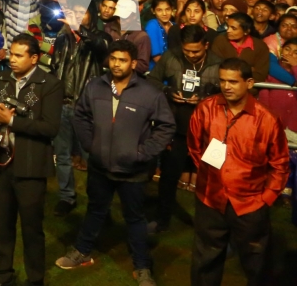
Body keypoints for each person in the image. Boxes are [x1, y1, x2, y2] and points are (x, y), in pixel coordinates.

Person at [54, 39, 173, 284]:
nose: (117, 64)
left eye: (123, 60)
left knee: (135, 218)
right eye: (113, 59)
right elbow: (81, 115)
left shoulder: (149, 93)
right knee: (95, 210)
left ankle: (142, 266)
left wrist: (142, 153)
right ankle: (83, 251)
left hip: (133, 171)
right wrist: (91, 145)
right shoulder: (95, 86)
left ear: (134, 63)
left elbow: (166, 126)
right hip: (99, 166)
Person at [187, 57, 290, 286]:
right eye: (222, 80)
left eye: (233, 81)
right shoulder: (206, 109)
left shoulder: (266, 119)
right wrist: (208, 179)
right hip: (210, 199)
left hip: (250, 203)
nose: (226, 86)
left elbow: (279, 164)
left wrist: (266, 198)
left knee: (256, 262)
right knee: (205, 258)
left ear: (249, 83)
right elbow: (194, 148)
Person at [0, 34, 62, 286]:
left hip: (31, 168)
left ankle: (35, 279)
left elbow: (50, 128)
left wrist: (12, 121)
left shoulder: (49, 84)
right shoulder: (2, 78)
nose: (12, 59)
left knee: (32, 228)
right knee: (2, 224)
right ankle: (3, 274)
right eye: (11, 54)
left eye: (19, 55)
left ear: (34, 58)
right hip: (1, 165)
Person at [147, 23, 221, 231]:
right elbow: (152, 80)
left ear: (206, 45)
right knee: (169, 176)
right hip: (177, 128)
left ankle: (211, 223)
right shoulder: (171, 57)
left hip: (208, 132)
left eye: (195, 51)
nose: (191, 55)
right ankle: (162, 218)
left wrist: (206, 97)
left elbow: (227, 93)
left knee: (211, 178)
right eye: (187, 50)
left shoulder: (218, 64)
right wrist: (167, 91)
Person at [48, 5, 108, 214]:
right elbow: (55, 68)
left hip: (87, 109)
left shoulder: (99, 38)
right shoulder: (62, 39)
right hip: (62, 104)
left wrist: (80, 30)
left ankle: (98, 201)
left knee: (92, 157)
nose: (76, 17)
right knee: (62, 155)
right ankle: (67, 197)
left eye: (82, 13)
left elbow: (102, 47)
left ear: (92, 16)